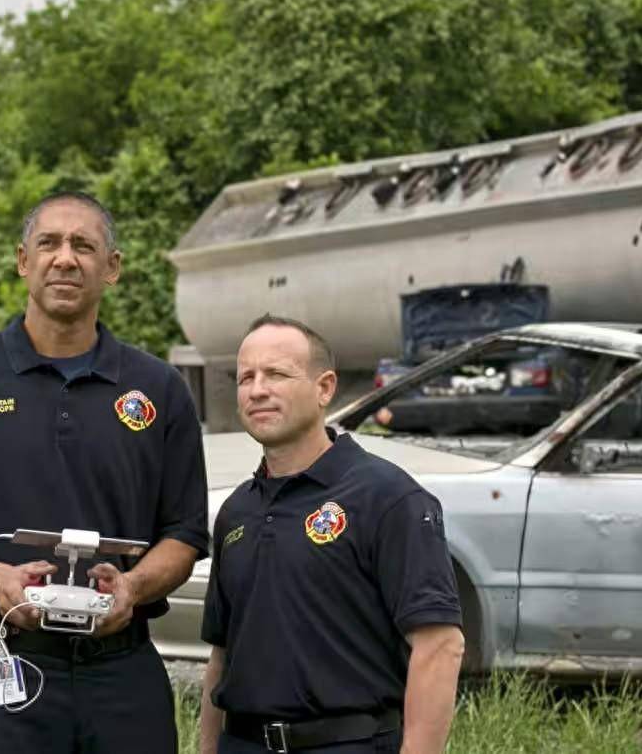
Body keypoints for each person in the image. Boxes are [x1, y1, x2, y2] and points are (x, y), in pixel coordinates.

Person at [0, 191, 208, 753]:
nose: (65, 258)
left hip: (122, 675)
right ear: (22, 260)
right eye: (48, 243)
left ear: (113, 268)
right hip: (5, 667)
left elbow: (183, 535)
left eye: (84, 245)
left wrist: (131, 586)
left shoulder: (158, 390)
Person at [199, 315, 464, 754]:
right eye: (246, 377)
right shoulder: (236, 511)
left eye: (277, 374)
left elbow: (439, 645)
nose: (257, 389)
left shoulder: (388, 498)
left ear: (325, 388)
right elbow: (221, 658)